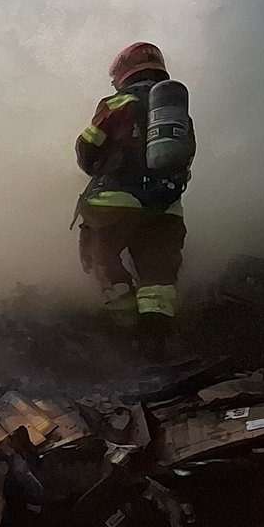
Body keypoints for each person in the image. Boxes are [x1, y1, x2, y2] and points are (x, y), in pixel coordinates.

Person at [75, 41, 190, 347]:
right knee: (159, 277)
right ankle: (155, 340)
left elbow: (87, 152)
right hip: (165, 208)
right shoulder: (176, 113)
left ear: (124, 74)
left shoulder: (116, 104)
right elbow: (185, 159)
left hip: (112, 205)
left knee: (101, 260)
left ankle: (124, 334)